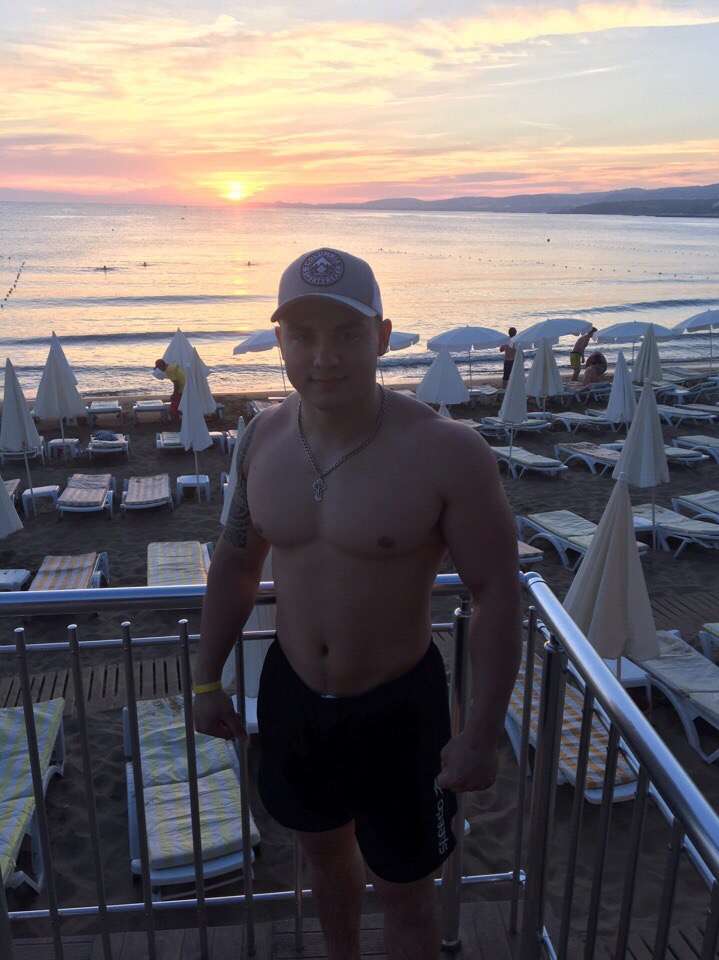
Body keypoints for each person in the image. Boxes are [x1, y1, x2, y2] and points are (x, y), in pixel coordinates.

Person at [194, 248, 521, 960]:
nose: (324, 357)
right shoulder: (259, 439)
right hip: (294, 696)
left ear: (383, 336)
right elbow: (236, 561)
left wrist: (482, 729)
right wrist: (205, 678)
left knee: (406, 891)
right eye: (302, 334)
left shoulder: (446, 451)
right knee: (321, 856)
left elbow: (497, 589)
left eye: (347, 333)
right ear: (279, 340)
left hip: (398, 709)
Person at [153, 357, 186, 422]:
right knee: (180, 407)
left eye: (159, 368)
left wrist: (174, 394)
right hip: (186, 387)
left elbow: (176, 383)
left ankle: (178, 423)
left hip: (181, 390)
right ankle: (181, 420)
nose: (160, 370)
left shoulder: (168, 371)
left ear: (161, 366)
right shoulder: (173, 365)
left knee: (173, 410)